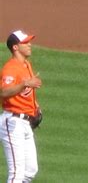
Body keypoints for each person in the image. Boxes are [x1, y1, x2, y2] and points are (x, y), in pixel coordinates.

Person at [0, 30, 42, 182]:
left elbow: (26, 93)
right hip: (12, 123)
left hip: (25, 122)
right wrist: (24, 83)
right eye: (25, 43)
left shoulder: (26, 65)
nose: (29, 45)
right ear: (15, 47)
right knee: (16, 173)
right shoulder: (10, 68)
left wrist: (34, 107)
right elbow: (3, 92)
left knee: (30, 170)